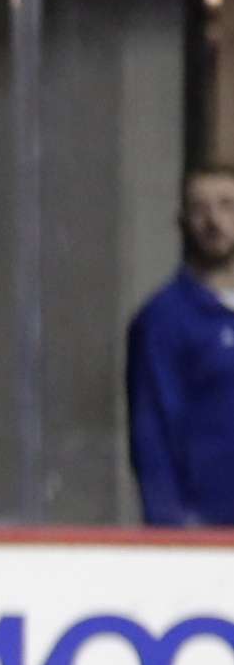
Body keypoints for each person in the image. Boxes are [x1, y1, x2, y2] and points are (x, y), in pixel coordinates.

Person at [126, 164, 234, 528]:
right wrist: (169, 531)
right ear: (183, 222)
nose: (214, 221)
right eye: (200, 209)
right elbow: (152, 432)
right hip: (208, 529)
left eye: (227, 205)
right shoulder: (164, 319)